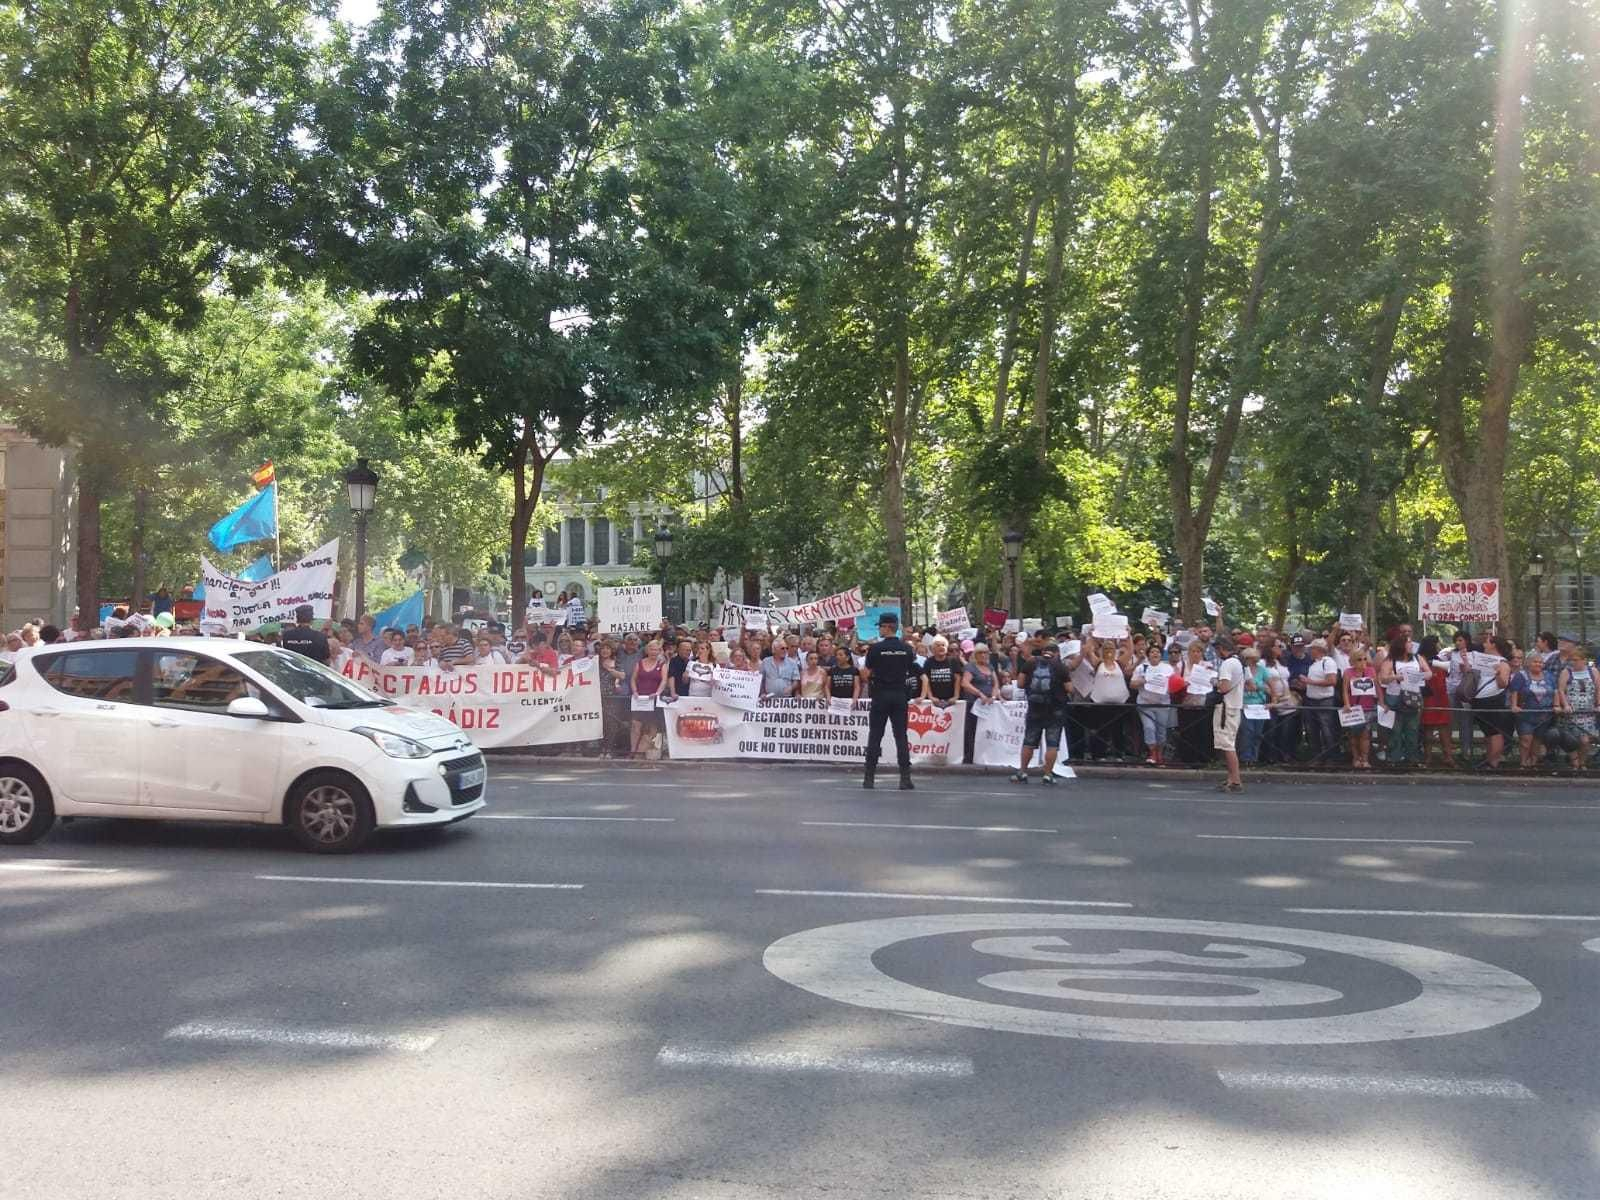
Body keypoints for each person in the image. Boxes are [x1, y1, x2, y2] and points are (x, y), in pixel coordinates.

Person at [860, 611, 917, 790]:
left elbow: (866, 674)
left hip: (880, 695)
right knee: (901, 736)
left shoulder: (875, 649)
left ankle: (869, 778)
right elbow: (910, 668)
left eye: (880, 627)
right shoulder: (907, 648)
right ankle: (905, 778)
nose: (879, 630)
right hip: (899, 695)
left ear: (887, 627)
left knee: (875, 735)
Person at [1011, 638, 1070, 785]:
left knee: (1029, 742)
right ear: (1057, 653)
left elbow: (1020, 683)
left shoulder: (1030, 663)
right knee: (1052, 744)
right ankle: (1048, 775)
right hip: (1055, 710)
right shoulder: (1061, 667)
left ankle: (1022, 772)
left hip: (1034, 708)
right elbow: (1069, 688)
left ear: (1043, 652)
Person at [1379, 636, 1424, 766]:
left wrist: (1420, 676)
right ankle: (1394, 758)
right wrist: (1395, 677)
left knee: (1412, 729)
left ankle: (1412, 757)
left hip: (1413, 696)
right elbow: (1383, 678)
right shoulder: (1390, 660)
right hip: (1395, 697)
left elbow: (1429, 673)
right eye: (1408, 642)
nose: (1411, 644)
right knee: (1395, 730)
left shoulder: (1417, 658)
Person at [1510, 650, 1556, 768]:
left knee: (1537, 740)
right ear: (1529, 663)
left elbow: (1555, 691)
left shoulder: (1549, 676)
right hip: (1525, 714)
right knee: (1526, 739)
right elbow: (1514, 691)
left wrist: (1556, 705)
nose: (1538, 664)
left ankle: (1533, 763)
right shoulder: (1521, 675)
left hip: (1544, 715)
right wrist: (1514, 705)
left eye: (1540, 662)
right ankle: (1523, 763)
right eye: (1535, 662)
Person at [1555, 644, 1598, 771]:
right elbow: (1561, 690)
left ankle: (1582, 762)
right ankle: (1575, 763)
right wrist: (1565, 705)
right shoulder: (1566, 672)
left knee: (1585, 740)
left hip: (1587, 713)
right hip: (1571, 713)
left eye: (1576, 660)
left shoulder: (1593, 672)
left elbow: (1598, 689)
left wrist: (1598, 704)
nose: (1573, 663)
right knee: (1571, 740)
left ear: (1584, 660)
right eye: (1571, 660)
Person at [1132, 643, 1176, 766]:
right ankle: (1152, 753)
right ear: (1148, 655)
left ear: (1161, 655)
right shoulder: (1141, 668)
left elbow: (1174, 683)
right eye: (1152, 652)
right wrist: (1142, 681)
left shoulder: (1168, 668)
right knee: (1149, 728)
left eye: (1157, 652)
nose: (1155, 653)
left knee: (1161, 731)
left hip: (1162, 704)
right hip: (1145, 704)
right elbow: (1132, 684)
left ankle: (1160, 754)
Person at [1212, 638, 1244, 791]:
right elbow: (1250, 685)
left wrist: (1213, 681)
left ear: (1221, 648)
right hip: (1235, 706)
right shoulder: (1239, 662)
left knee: (1227, 745)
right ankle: (1231, 778)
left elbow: (1224, 687)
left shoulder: (1227, 664)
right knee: (1228, 743)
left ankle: (1235, 780)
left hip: (1226, 707)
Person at [1303, 639, 1341, 764]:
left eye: (1312, 649)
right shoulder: (1314, 664)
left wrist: (1310, 682)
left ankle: (1331, 757)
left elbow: (1332, 681)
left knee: (1327, 730)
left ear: (1318, 650)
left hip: (1324, 700)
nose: (1309, 651)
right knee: (1312, 730)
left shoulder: (1328, 662)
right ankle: (1317, 756)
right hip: (1311, 700)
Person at [1341, 646, 1378, 769]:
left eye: (1364, 659)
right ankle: (1356, 758)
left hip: (1367, 707)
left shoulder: (1371, 671)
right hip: (1353, 708)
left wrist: (1382, 702)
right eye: (1359, 659)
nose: (1363, 662)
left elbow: (1377, 688)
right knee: (1353, 735)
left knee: (1365, 735)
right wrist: (1347, 704)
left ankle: (1365, 759)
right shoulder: (1348, 672)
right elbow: (1345, 690)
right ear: (1353, 661)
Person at [960, 643, 997, 764]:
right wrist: (979, 693)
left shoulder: (990, 667)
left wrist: (993, 696)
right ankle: (969, 757)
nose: (983, 655)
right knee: (971, 730)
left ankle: (985, 756)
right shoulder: (971, 667)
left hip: (988, 704)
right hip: (974, 704)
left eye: (985, 652)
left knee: (986, 730)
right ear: (975, 655)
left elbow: (996, 684)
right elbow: (965, 683)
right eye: (980, 653)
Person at [629, 639, 667, 757]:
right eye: (652, 649)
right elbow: (633, 679)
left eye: (656, 650)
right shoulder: (639, 663)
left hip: (653, 699)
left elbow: (664, 681)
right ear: (647, 650)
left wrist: (657, 693)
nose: (654, 652)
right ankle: (633, 751)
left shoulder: (662, 665)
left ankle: (642, 753)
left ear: (659, 651)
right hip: (640, 699)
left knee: (652, 727)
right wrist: (635, 691)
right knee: (636, 725)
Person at [1236, 646, 1270, 766]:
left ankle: (1254, 758)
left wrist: (1273, 700)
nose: (1251, 661)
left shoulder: (1262, 670)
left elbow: (1271, 685)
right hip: (1245, 704)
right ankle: (1245, 757)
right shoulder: (1241, 670)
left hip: (1260, 705)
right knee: (1247, 731)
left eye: (1253, 658)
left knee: (1257, 733)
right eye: (1249, 659)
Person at [920, 636, 962, 707]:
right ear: (933, 649)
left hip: (950, 700)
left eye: (943, 645)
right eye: (938, 645)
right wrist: (930, 696)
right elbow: (926, 680)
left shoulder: (953, 661)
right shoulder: (928, 662)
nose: (941, 647)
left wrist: (956, 696)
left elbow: (957, 679)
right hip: (934, 700)